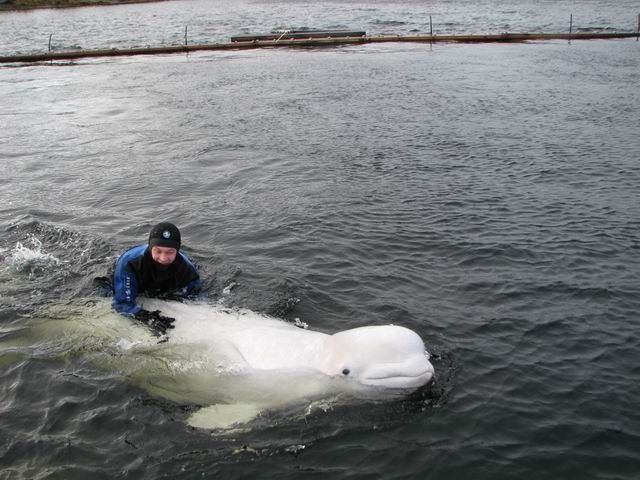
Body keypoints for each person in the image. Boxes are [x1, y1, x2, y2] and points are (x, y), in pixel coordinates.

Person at [112, 222, 201, 334]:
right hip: (130, 280)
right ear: (150, 247)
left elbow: (196, 297)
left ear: (177, 251)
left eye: (170, 252)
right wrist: (146, 317)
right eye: (158, 251)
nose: (163, 258)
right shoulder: (130, 263)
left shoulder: (187, 269)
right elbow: (121, 303)